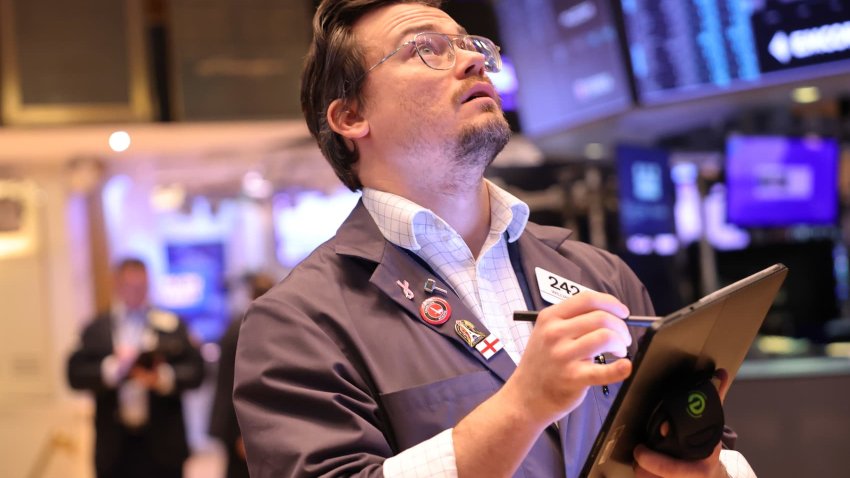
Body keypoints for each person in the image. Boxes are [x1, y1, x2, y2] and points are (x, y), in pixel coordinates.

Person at [233, 1, 756, 477]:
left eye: (470, 44)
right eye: (426, 49)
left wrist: (705, 467)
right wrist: (522, 407)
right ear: (351, 116)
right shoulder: (298, 322)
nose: (471, 60)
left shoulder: (598, 273)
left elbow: (710, 452)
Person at [67, 258, 204, 478]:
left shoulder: (171, 324)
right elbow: (74, 374)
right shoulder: (96, 328)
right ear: (117, 285)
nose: (137, 292)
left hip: (163, 443)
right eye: (130, 286)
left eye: (142, 286)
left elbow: (197, 371)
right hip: (115, 446)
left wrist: (162, 378)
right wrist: (112, 369)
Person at [209, 272, 276, 478]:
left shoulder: (253, 324)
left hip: (244, 427)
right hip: (238, 428)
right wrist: (242, 434)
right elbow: (234, 384)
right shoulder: (245, 328)